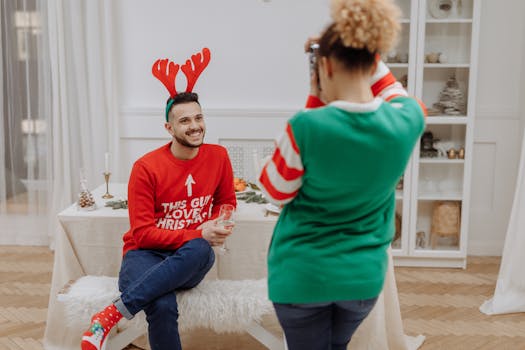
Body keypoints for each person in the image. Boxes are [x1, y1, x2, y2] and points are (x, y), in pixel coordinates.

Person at [258, 0, 426, 349]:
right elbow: (394, 93)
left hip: (302, 277)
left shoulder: (305, 127)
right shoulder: (408, 120)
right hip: (362, 280)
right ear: (372, 58)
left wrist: (314, 89)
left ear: (326, 66)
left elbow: (276, 192)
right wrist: (360, 49)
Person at [81, 49, 237, 350]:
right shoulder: (146, 167)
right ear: (169, 128)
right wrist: (197, 232)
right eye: (184, 121)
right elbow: (142, 234)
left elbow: (226, 200)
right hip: (144, 255)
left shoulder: (219, 156)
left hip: (190, 256)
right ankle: (113, 315)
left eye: (199, 117)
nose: (195, 126)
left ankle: (112, 313)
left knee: (201, 249)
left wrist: (219, 219)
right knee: (163, 305)